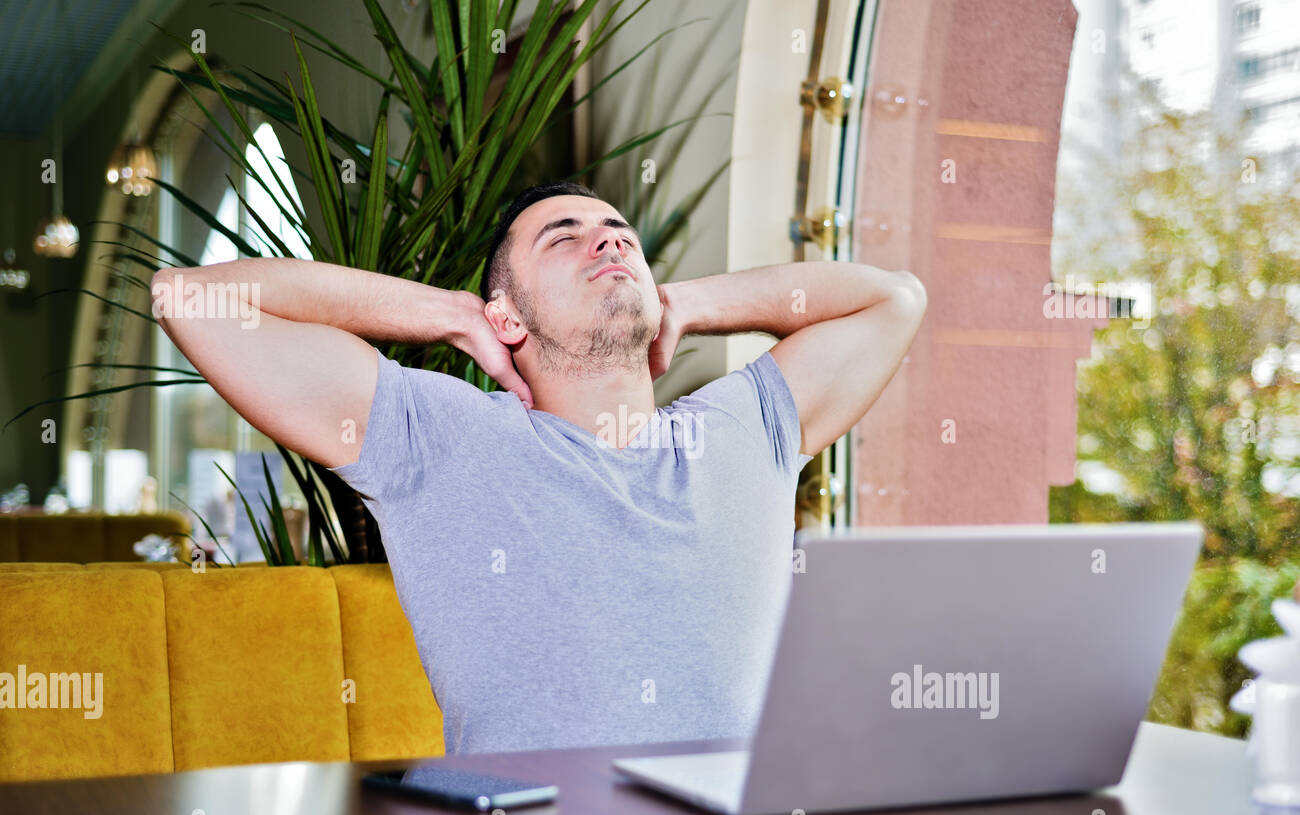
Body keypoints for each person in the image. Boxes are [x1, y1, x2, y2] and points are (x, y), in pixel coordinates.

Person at [151, 181, 926, 755]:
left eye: (621, 234)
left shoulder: (741, 429)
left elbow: (894, 299)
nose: (610, 242)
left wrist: (690, 301)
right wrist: (446, 312)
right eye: (564, 237)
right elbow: (186, 298)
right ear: (507, 315)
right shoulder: (438, 437)